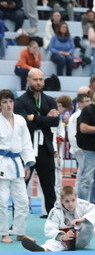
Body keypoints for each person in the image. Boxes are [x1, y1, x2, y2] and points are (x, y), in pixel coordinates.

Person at [14, 69, 59, 217]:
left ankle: (54, 223)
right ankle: (17, 223)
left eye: (41, 79)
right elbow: (24, 124)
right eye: (35, 79)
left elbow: (55, 121)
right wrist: (45, 118)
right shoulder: (20, 101)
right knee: (21, 189)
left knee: (50, 189)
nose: (39, 82)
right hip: (26, 150)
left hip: (45, 149)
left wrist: (33, 117)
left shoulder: (50, 100)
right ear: (28, 80)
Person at [21, 186, 95, 252]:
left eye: (73, 200)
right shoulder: (55, 211)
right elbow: (49, 230)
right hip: (65, 241)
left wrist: (82, 219)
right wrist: (63, 237)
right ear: (61, 201)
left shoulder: (82, 204)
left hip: (81, 238)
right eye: (67, 201)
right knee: (53, 243)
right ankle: (43, 249)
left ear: (76, 198)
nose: (70, 204)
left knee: (93, 221)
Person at [0, 89, 36, 244]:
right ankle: (3, 233)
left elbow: (26, 143)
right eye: (5, 102)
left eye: (10, 101)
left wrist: (27, 164)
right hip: (2, 163)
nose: (9, 105)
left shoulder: (20, 120)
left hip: (16, 164)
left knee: (22, 201)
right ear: (0, 105)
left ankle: (20, 232)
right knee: (2, 201)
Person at [67, 93, 90, 187]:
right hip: (80, 149)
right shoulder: (75, 117)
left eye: (90, 101)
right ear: (80, 103)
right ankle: (82, 192)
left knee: (82, 172)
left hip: (87, 148)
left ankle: (78, 192)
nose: (89, 103)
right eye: (86, 101)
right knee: (86, 173)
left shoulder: (87, 114)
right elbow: (72, 135)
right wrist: (78, 148)